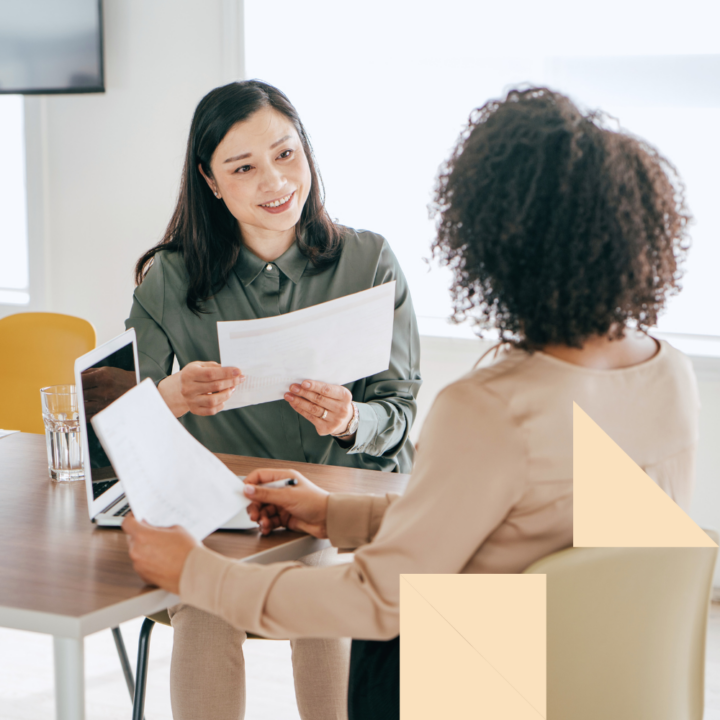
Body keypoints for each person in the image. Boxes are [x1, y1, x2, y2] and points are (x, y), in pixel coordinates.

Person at [123, 87, 699, 720]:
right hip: (602, 685)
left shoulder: (489, 408)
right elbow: (511, 528)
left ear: (485, 245)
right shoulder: (669, 373)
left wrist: (196, 574)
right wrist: (334, 513)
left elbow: (377, 600)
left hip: (479, 688)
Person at [124, 80, 421, 720]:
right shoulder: (169, 280)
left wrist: (350, 420)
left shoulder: (369, 260)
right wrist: (172, 397)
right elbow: (119, 429)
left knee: (324, 587)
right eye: (244, 167)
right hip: (225, 515)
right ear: (210, 180)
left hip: (338, 507)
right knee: (203, 603)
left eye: (286, 154)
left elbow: (398, 414)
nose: (274, 180)